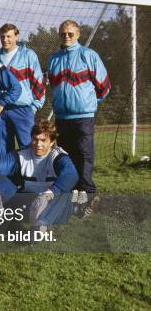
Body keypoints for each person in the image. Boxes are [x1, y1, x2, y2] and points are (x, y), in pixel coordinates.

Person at [48, 20, 111, 218]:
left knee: (84, 156)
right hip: (62, 117)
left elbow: (104, 86)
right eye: (63, 33)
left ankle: (88, 194)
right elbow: (52, 86)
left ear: (78, 34)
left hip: (83, 116)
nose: (66, 37)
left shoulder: (88, 55)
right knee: (66, 157)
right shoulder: (54, 59)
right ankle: (73, 196)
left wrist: (87, 103)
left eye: (70, 33)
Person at [0, 120, 79, 233]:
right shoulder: (21, 155)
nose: (38, 144)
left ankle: (42, 226)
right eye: (35, 139)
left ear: (52, 142)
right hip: (28, 203)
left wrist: (49, 194)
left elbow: (71, 175)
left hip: (52, 204)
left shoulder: (59, 157)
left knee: (64, 192)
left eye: (43, 140)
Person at [0, 23, 44, 152]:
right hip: (1, 110)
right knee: (3, 150)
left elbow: (38, 83)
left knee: (28, 149)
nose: (5, 40)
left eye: (9, 36)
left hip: (23, 110)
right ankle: (7, 173)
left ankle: (30, 173)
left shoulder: (28, 55)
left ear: (16, 36)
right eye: (2, 37)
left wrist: (34, 107)